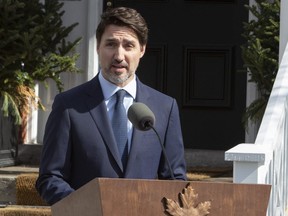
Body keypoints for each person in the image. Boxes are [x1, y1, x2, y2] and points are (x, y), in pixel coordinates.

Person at [36, 6, 187, 205]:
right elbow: (50, 178)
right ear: (97, 47)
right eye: (111, 44)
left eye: (128, 46)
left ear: (142, 50)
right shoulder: (69, 106)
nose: (118, 55)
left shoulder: (165, 108)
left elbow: (175, 180)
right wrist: (86, 207)